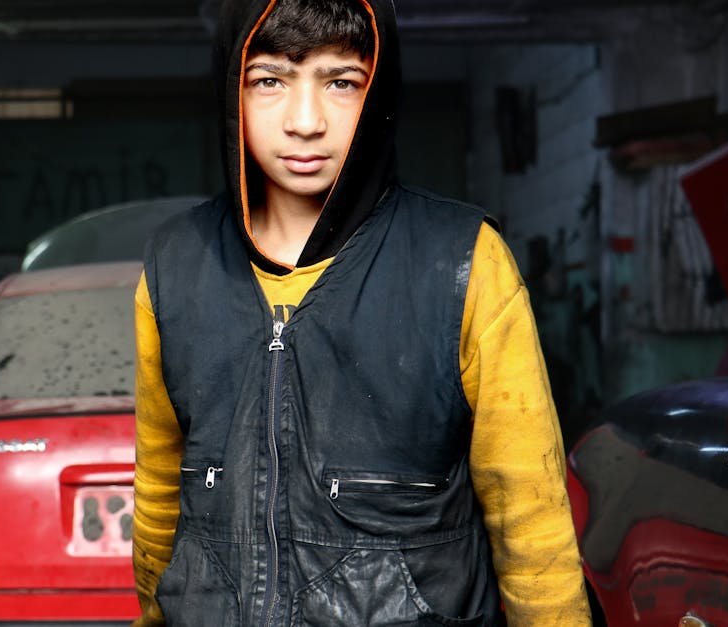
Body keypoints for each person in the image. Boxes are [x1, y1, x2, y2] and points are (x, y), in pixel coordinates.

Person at [131, 0, 592, 625]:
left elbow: (530, 513)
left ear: (378, 93)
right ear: (230, 92)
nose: (305, 121)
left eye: (341, 82)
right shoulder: (174, 265)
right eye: (269, 80)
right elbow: (161, 491)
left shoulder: (462, 261)